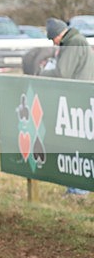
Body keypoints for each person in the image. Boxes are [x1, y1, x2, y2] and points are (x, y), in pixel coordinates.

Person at [41, 18, 94, 196]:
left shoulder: (73, 43)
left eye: (52, 39)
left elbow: (62, 72)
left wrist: (40, 73)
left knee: (76, 143)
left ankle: (78, 189)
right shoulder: (77, 41)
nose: (53, 43)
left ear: (57, 35)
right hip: (79, 98)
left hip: (77, 99)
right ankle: (77, 187)